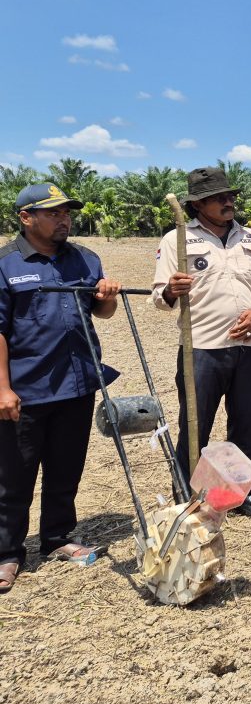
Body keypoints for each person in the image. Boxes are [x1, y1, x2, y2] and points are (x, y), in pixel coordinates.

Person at [0, 184, 122, 594]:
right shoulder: (6, 264)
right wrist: (2, 389)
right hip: (26, 390)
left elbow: (100, 311)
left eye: (66, 212)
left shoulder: (85, 258)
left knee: (65, 470)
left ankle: (57, 538)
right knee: (13, 476)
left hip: (76, 383)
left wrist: (108, 297)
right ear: (26, 218)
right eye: (53, 213)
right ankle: (7, 553)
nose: (64, 219)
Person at [153, 167, 251, 518]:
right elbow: (159, 297)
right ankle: (188, 498)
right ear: (197, 204)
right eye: (218, 198)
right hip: (202, 351)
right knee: (195, 427)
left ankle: (241, 495)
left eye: (230, 196)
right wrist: (170, 290)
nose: (228, 202)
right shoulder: (177, 240)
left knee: (246, 424)